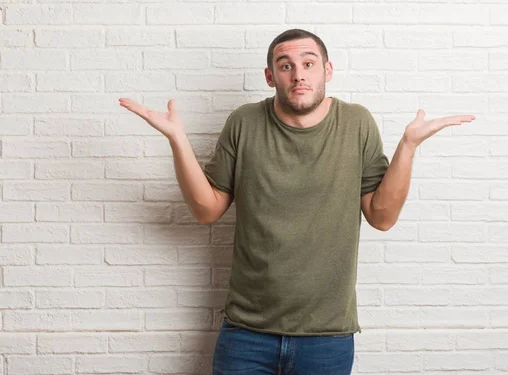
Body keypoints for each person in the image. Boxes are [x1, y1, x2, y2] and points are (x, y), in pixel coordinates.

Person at [119, 28, 475, 375]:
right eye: (285, 65)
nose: (298, 74)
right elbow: (206, 209)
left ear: (328, 70)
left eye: (308, 63)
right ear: (270, 76)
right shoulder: (244, 122)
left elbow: (381, 217)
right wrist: (178, 141)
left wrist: (408, 147)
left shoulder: (356, 123)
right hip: (246, 332)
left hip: (327, 336)